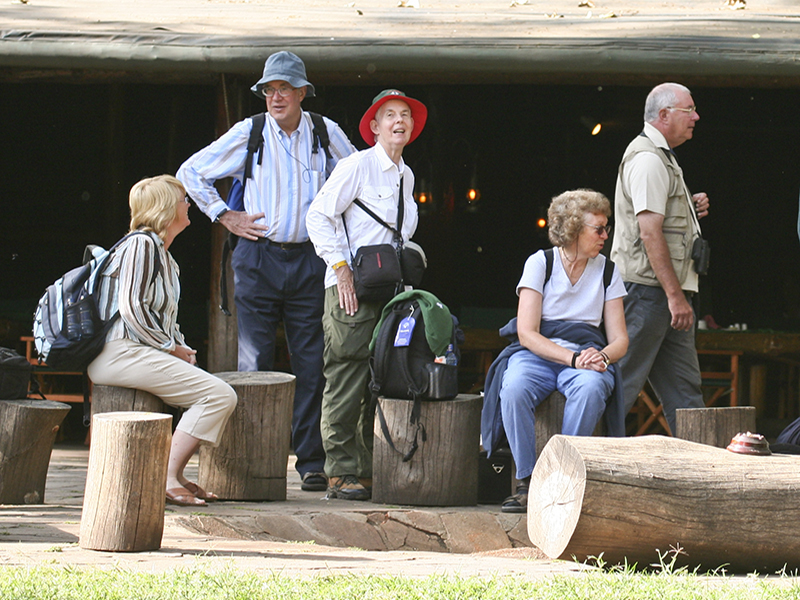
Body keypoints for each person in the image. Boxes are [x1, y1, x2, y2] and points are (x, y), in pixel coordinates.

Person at [177, 51, 355, 492]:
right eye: (268, 90)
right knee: (254, 363)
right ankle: (254, 462)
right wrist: (224, 215)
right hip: (258, 258)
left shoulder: (324, 131)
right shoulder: (251, 131)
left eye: (284, 89)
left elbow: (358, 179)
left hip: (312, 260)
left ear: (301, 93)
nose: (275, 97)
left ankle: (311, 462)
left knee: (312, 363)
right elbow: (191, 172)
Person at [88, 175, 238, 507]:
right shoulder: (141, 244)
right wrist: (170, 347)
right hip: (119, 352)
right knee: (218, 395)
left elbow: (164, 317)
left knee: (209, 391)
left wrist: (180, 348)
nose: (189, 205)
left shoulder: (165, 258)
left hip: (136, 351)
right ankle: (167, 477)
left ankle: (176, 475)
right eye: (183, 199)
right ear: (166, 208)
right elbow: (133, 306)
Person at [306, 89, 427, 501]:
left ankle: (366, 467)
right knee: (346, 374)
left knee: (378, 378)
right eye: (389, 115)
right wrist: (340, 270)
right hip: (351, 290)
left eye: (405, 115)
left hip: (389, 293)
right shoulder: (356, 165)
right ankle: (340, 471)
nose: (399, 121)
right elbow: (318, 215)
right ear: (374, 127)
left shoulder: (406, 175)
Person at [481, 189, 628, 513]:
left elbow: (619, 340)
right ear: (574, 229)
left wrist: (601, 357)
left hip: (586, 353)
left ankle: (562, 478)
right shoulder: (541, 263)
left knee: (592, 389)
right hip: (539, 354)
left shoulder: (607, 270)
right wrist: (571, 359)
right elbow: (526, 332)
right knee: (514, 387)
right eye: (598, 229)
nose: (605, 235)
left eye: (607, 228)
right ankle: (528, 481)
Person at [610, 82, 711, 434]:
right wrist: (674, 296)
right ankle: (583, 471)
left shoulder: (661, 157)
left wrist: (688, 207)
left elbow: (661, 221)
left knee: (685, 392)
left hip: (663, 295)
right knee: (618, 386)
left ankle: (703, 476)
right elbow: (649, 232)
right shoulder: (650, 160)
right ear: (664, 115)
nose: (696, 117)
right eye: (689, 110)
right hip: (650, 293)